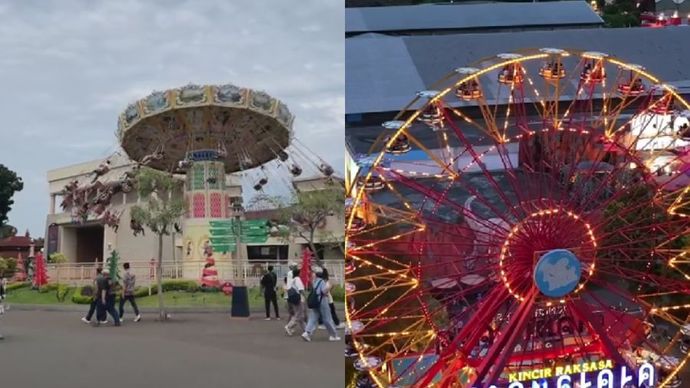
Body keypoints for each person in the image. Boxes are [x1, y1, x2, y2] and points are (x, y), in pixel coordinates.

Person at [302, 268, 340, 342]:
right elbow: (323, 291)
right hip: (322, 301)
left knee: (313, 318)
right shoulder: (322, 281)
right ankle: (333, 335)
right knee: (327, 318)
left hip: (315, 301)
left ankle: (307, 332)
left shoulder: (314, 281)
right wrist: (330, 287)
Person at [284, 268, 306, 336]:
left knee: (300, 315)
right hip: (299, 299)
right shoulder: (298, 279)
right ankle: (289, 326)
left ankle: (306, 330)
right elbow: (301, 290)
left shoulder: (293, 280)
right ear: (298, 273)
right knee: (298, 315)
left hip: (293, 299)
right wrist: (306, 297)